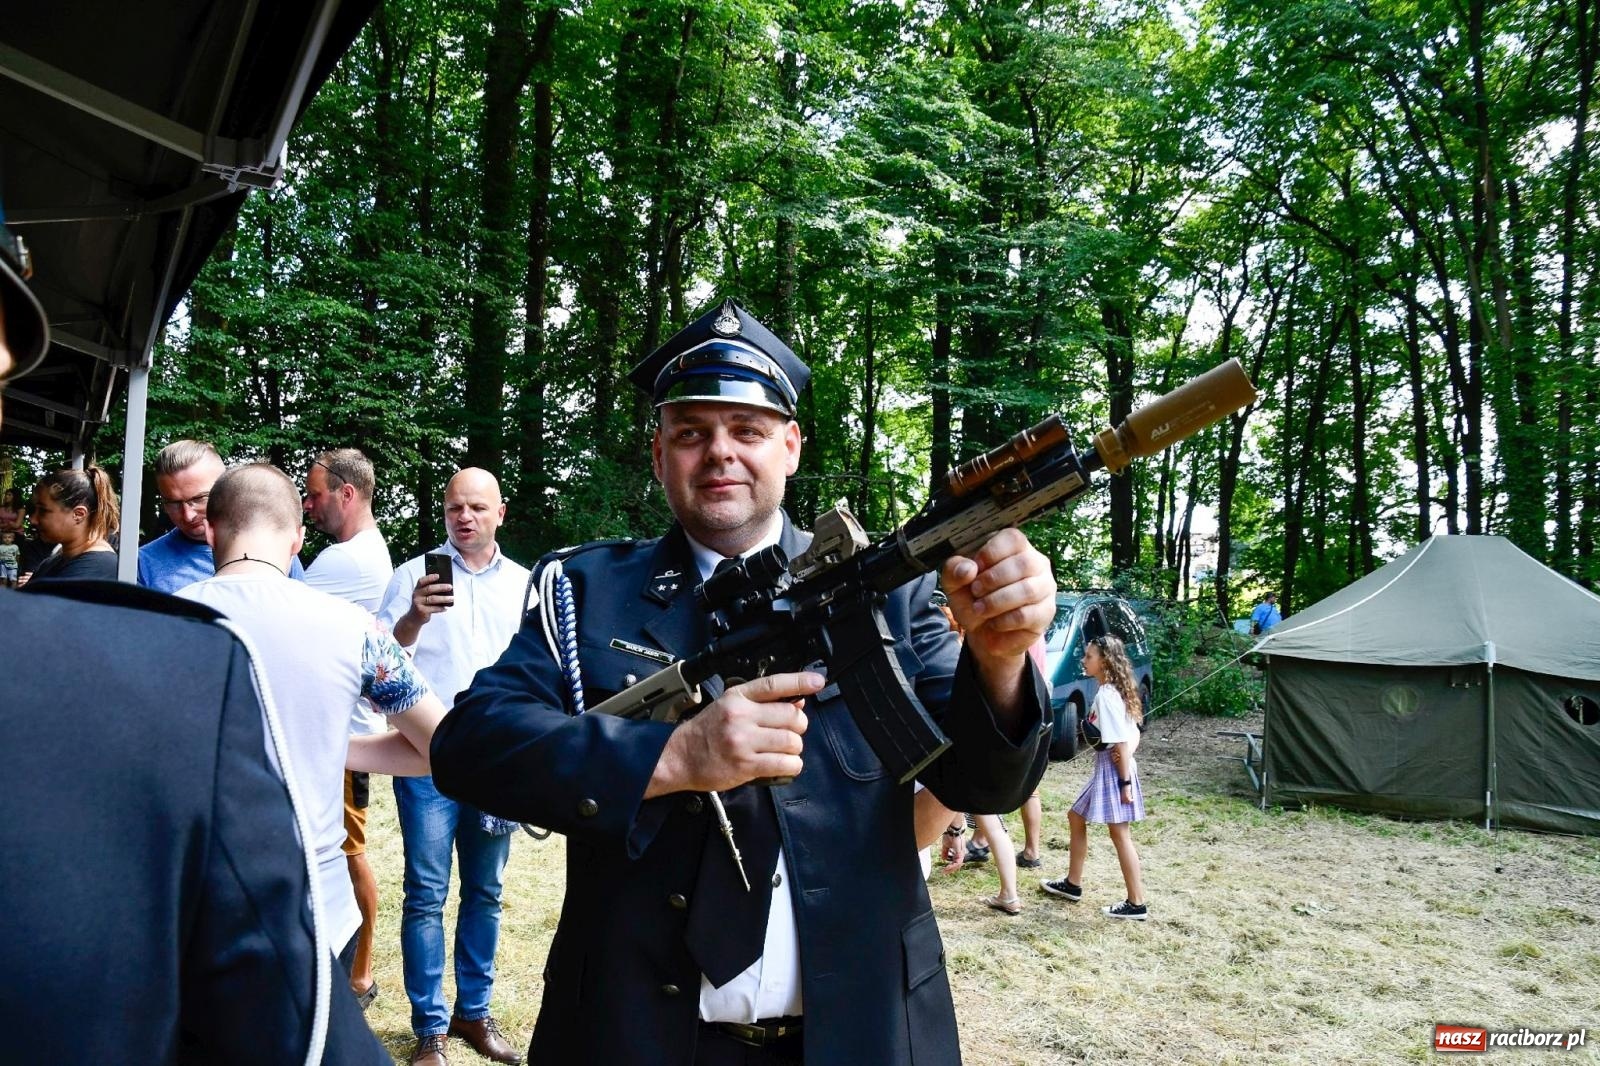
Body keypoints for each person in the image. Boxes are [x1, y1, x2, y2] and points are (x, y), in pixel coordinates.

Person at [430, 298, 1057, 1066]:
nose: (720, 452)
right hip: (636, 1038)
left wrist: (1000, 660)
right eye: (691, 433)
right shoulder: (585, 590)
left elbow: (983, 782)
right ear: (660, 456)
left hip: (864, 1034)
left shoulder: (891, 590)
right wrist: (671, 759)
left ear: (790, 447)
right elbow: (469, 745)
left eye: (748, 431)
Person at [0, 182, 389, 1063]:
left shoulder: (318, 592)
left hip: (284, 850)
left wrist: (341, 738)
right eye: (173, 504)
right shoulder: (143, 580)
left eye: (201, 505)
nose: (190, 520)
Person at [178, 463, 449, 972]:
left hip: (194, 907)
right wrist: (329, 744)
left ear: (211, 529)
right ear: (299, 539)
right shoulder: (355, 629)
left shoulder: (158, 620)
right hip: (317, 908)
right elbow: (443, 746)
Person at [377, 468, 531, 1066]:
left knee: (486, 891)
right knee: (425, 893)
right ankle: (429, 1030)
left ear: (500, 513)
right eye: (453, 507)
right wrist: (414, 617)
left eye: (475, 507)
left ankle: (474, 1012)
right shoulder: (411, 576)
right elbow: (381, 660)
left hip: (496, 760)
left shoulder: (526, 585)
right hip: (427, 759)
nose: (463, 517)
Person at [302, 446, 393, 1008]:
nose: (309, 507)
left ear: (346, 493)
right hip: (346, 732)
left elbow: (280, 616)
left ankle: (359, 974)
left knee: (349, 851)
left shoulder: (347, 561)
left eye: (314, 495)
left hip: (343, 738)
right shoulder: (365, 552)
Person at [1040, 634, 1148, 919]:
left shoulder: (1107, 695)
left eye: (1089, 656)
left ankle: (1136, 903)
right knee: (1076, 816)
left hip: (1115, 773)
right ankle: (1072, 884)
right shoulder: (1113, 691)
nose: (1083, 660)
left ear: (1105, 661)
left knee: (1120, 834)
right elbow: (1133, 732)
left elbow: (1124, 743)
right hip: (1111, 768)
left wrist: (1125, 783)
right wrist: (1124, 754)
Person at [139, 438, 307, 591]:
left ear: (226, 488)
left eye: (199, 498)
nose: (188, 515)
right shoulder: (143, 564)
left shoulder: (277, 546)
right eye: (174, 503)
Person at [21, 465, 119, 583]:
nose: (33, 520)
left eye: (43, 511)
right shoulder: (53, 562)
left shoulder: (98, 568)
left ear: (79, 514)